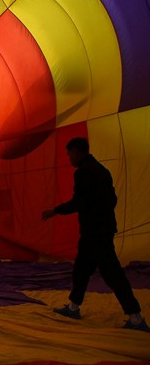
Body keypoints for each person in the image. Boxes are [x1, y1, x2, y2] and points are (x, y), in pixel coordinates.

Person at [42, 137, 147, 331]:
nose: (68, 158)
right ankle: (74, 307)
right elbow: (112, 199)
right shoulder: (102, 170)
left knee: (112, 274)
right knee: (81, 270)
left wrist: (54, 211)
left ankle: (135, 318)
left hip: (96, 233)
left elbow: (79, 202)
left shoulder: (83, 172)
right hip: (97, 231)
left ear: (77, 151)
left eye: (69, 153)